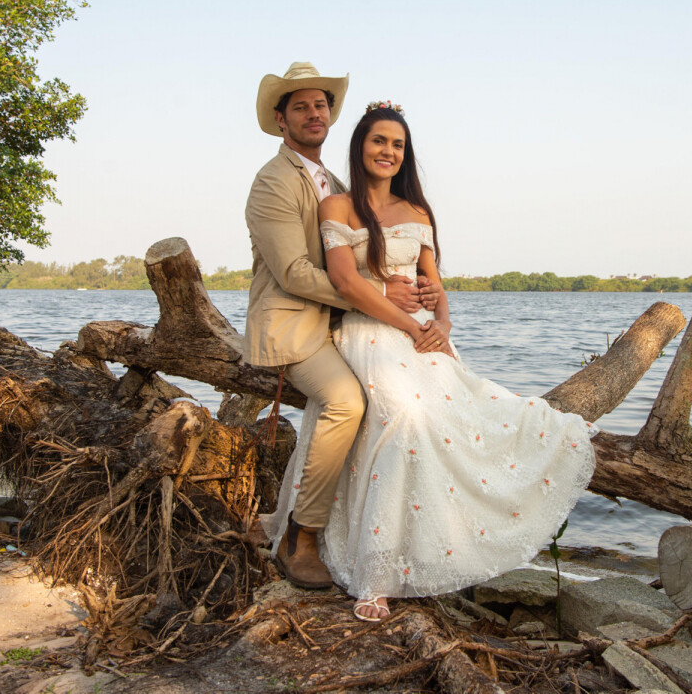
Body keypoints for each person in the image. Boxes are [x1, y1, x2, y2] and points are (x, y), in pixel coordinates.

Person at [311, 102, 599, 622]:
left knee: (465, 419)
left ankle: (435, 548)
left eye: (397, 145)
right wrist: (409, 320)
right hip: (367, 331)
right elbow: (345, 282)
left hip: (421, 334)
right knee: (405, 418)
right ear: (360, 148)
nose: (389, 152)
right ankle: (374, 573)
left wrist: (441, 324)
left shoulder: (417, 213)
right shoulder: (337, 208)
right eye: (379, 141)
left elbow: (435, 287)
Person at [245, 64, 436, 589]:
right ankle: (300, 538)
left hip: (346, 323)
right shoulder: (273, 182)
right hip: (293, 325)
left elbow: (362, 259)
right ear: (281, 120)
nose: (314, 114)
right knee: (346, 402)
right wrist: (377, 293)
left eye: (321, 105)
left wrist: (419, 293)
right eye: (301, 107)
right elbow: (293, 273)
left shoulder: (336, 183)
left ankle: (395, 531)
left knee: (405, 397)